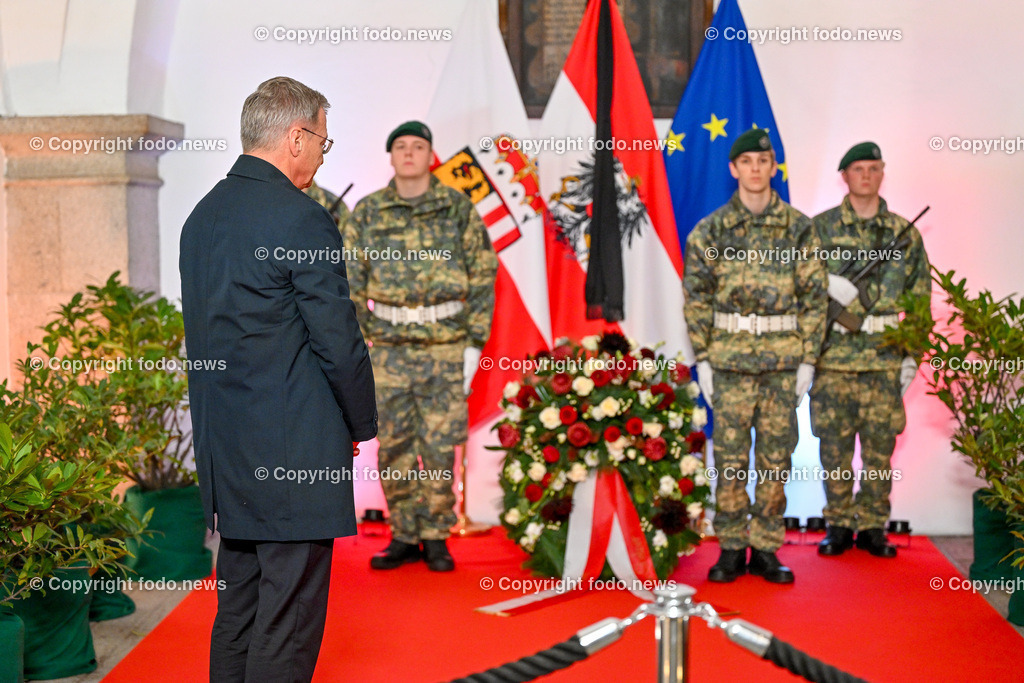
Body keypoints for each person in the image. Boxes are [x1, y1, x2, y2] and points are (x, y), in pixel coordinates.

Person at [179, 76, 377, 681]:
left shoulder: (201, 216)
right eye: (323, 139)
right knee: (286, 620)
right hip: (292, 452)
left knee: (239, 607)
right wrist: (358, 423)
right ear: (296, 136)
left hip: (226, 453)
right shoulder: (302, 220)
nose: (323, 153)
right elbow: (337, 341)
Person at [342, 120, 497, 572]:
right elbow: (349, 282)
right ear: (390, 156)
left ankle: (435, 535)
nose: (409, 153)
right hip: (388, 348)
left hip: (445, 347)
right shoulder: (368, 213)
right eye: (401, 147)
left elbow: (485, 276)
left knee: (437, 445)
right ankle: (404, 534)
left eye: (419, 146)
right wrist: (363, 340)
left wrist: (474, 344)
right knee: (392, 445)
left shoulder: (457, 209)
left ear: (432, 155)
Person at [683, 128, 827, 584]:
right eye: (747, 162)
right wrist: (702, 358)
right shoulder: (711, 230)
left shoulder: (800, 228)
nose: (756, 169)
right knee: (728, 457)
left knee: (775, 458)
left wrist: (808, 360)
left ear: (772, 167)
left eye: (763, 161)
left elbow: (815, 298)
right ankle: (730, 547)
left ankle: (766, 546)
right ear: (734, 169)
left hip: (782, 365)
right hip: (728, 364)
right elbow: (696, 298)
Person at [811, 142, 930, 559]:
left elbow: (919, 299)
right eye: (858, 168)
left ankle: (873, 526)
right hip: (834, 359)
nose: (866, 175)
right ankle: (840, 524)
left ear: (883, 173)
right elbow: (801, 293)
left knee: (880, 449)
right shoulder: (819, 230)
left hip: (883, 357)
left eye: (873, 168)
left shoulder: (904, 233)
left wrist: (914, 353)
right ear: (844, 175)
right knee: (834, 448)